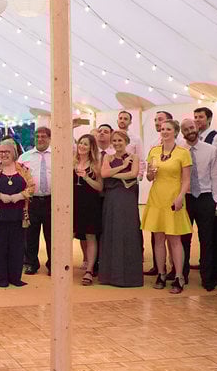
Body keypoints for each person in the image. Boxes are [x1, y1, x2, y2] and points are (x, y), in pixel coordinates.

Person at [142, 120, 192, 294]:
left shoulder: (183, 153)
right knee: (158, 238)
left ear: (175, 132)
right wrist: (149, 173)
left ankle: (179, 276)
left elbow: (186, 180)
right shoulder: (154, 151)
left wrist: (180, 197)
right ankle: (161, 273)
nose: (164, 132)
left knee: (174, 239)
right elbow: (149, 177)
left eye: (168, 129)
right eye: (162, 129)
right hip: (157, 197)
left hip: (173, 197)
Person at [0, 139, 34, 287]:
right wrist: (1, 196)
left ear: (14, 153)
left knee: (17, 247)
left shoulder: (23, 169)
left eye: (7, 152)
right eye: (1, 152)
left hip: (19, 215)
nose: (3, 154)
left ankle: (15, 278)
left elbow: (31, 187)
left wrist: (19, 196)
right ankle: (2, 279)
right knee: (0, 247)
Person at [179, 119, 217, 289]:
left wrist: (214, 199)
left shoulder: (211, 150)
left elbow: (216, 175)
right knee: (184, 239)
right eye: (185, 129)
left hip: (205, 198)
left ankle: (207, 278)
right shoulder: (179, 150)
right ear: (182, 132)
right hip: (186, 198)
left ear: (197, 128)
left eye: (191, 127)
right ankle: (182, 275)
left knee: (206, 240)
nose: (190, 131)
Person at [98, 130, 143, 287]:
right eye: (114, 141)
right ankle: (110, 275)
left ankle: (129, 276)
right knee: (112, 231)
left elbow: (133, 174)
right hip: (112, 198)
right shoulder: (107, 157)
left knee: (128, 232)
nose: (117, 143)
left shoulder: (134, 157)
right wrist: (122, 167)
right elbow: (103, 173)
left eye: (120, 141)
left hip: (127, 198)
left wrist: (113, 173)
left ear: (126, 141)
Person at [18, 126, 52, 275]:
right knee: (30, 234)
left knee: (52, 234)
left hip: (52, 200)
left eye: (43, 136)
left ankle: (53, 263)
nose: (40, 139)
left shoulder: (57, 155)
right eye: (37, 136)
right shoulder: (25, 157)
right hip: (31, 201)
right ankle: (31, 263)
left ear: (49, 138)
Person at [74, 134, 104, 286]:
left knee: (90, 236)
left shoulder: (96, 164)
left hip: (90, 204)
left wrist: (86, 178)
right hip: (74, 204)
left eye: (85, 144)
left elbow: (100, 187)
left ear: (91, 147)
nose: (82, 146)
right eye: (80, 143)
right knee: (77, 235)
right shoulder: (72, 162)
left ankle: (90, 270)